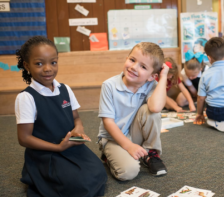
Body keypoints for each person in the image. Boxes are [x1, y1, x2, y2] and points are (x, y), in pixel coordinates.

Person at [15, 36, 107, 196]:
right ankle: (35, 175)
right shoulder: (26, 97)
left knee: (99, 173)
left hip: (70, 146)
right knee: (80, 184)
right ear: (27, 65)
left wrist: (78, 130)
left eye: (53, 62)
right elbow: (24, 138)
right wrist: (58, 147)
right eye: (39, 63)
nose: (48, 68)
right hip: (46, 153)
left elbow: (76, 118)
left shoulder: (65, 89)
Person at [97, 42, 169, 181]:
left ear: (151, 76)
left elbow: (155, 108)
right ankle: (108, 156)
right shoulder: (109, 86)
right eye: (132, 60)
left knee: (151, 112)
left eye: (143, 67)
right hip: (113, 138)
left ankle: (151, 153)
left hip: (134, 134)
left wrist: (163, 76)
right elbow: (108, 123)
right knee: (129, 172)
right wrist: (128, 146)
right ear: (127, 58)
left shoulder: (151, 84)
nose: (133, 67)